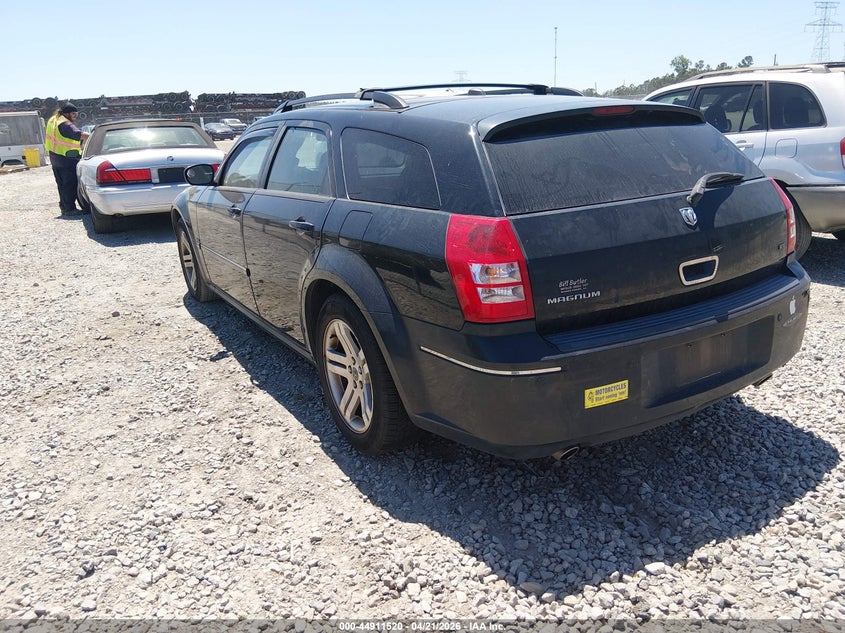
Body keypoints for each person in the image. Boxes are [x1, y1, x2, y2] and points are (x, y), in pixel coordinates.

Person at [45, 103, 90, 216]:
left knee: (62, 185)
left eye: (76, 114)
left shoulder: (54, 120)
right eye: (73, 114)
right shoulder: (65, 124)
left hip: (56, 158)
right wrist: (94, 136)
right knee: (70, 184)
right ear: (66, 113)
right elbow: (78, 134)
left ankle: (64, 207)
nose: (75, 116)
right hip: (67, 159)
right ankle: (70, 209)